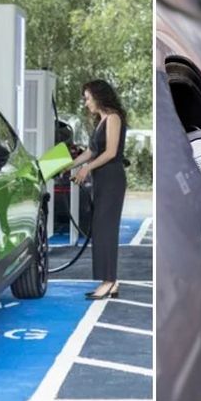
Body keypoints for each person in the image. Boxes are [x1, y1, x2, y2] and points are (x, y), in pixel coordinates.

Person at [69, 80, 128, 300]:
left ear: (99, 96)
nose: (86, 103)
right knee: (101, 228)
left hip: (112, 178)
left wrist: (87, 168)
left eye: (88, 98)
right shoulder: (102, 121)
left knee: (106, 229)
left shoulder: (113, 118)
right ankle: (111, 281)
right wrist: (69, 165)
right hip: (102, 179)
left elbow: (110, 152)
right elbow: (91, 151)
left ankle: (108, 281)